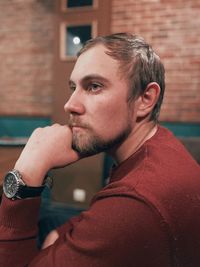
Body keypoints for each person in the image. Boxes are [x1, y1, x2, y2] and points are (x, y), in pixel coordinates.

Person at [0, 33, 200, 267]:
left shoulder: (135, 201)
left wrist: (27, 173)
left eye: (94, 86)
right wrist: (61, 234)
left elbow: (122, 214)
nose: (70, 105)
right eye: (74, 87)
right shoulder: (160, 144)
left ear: (145, 99)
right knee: (51, 222)